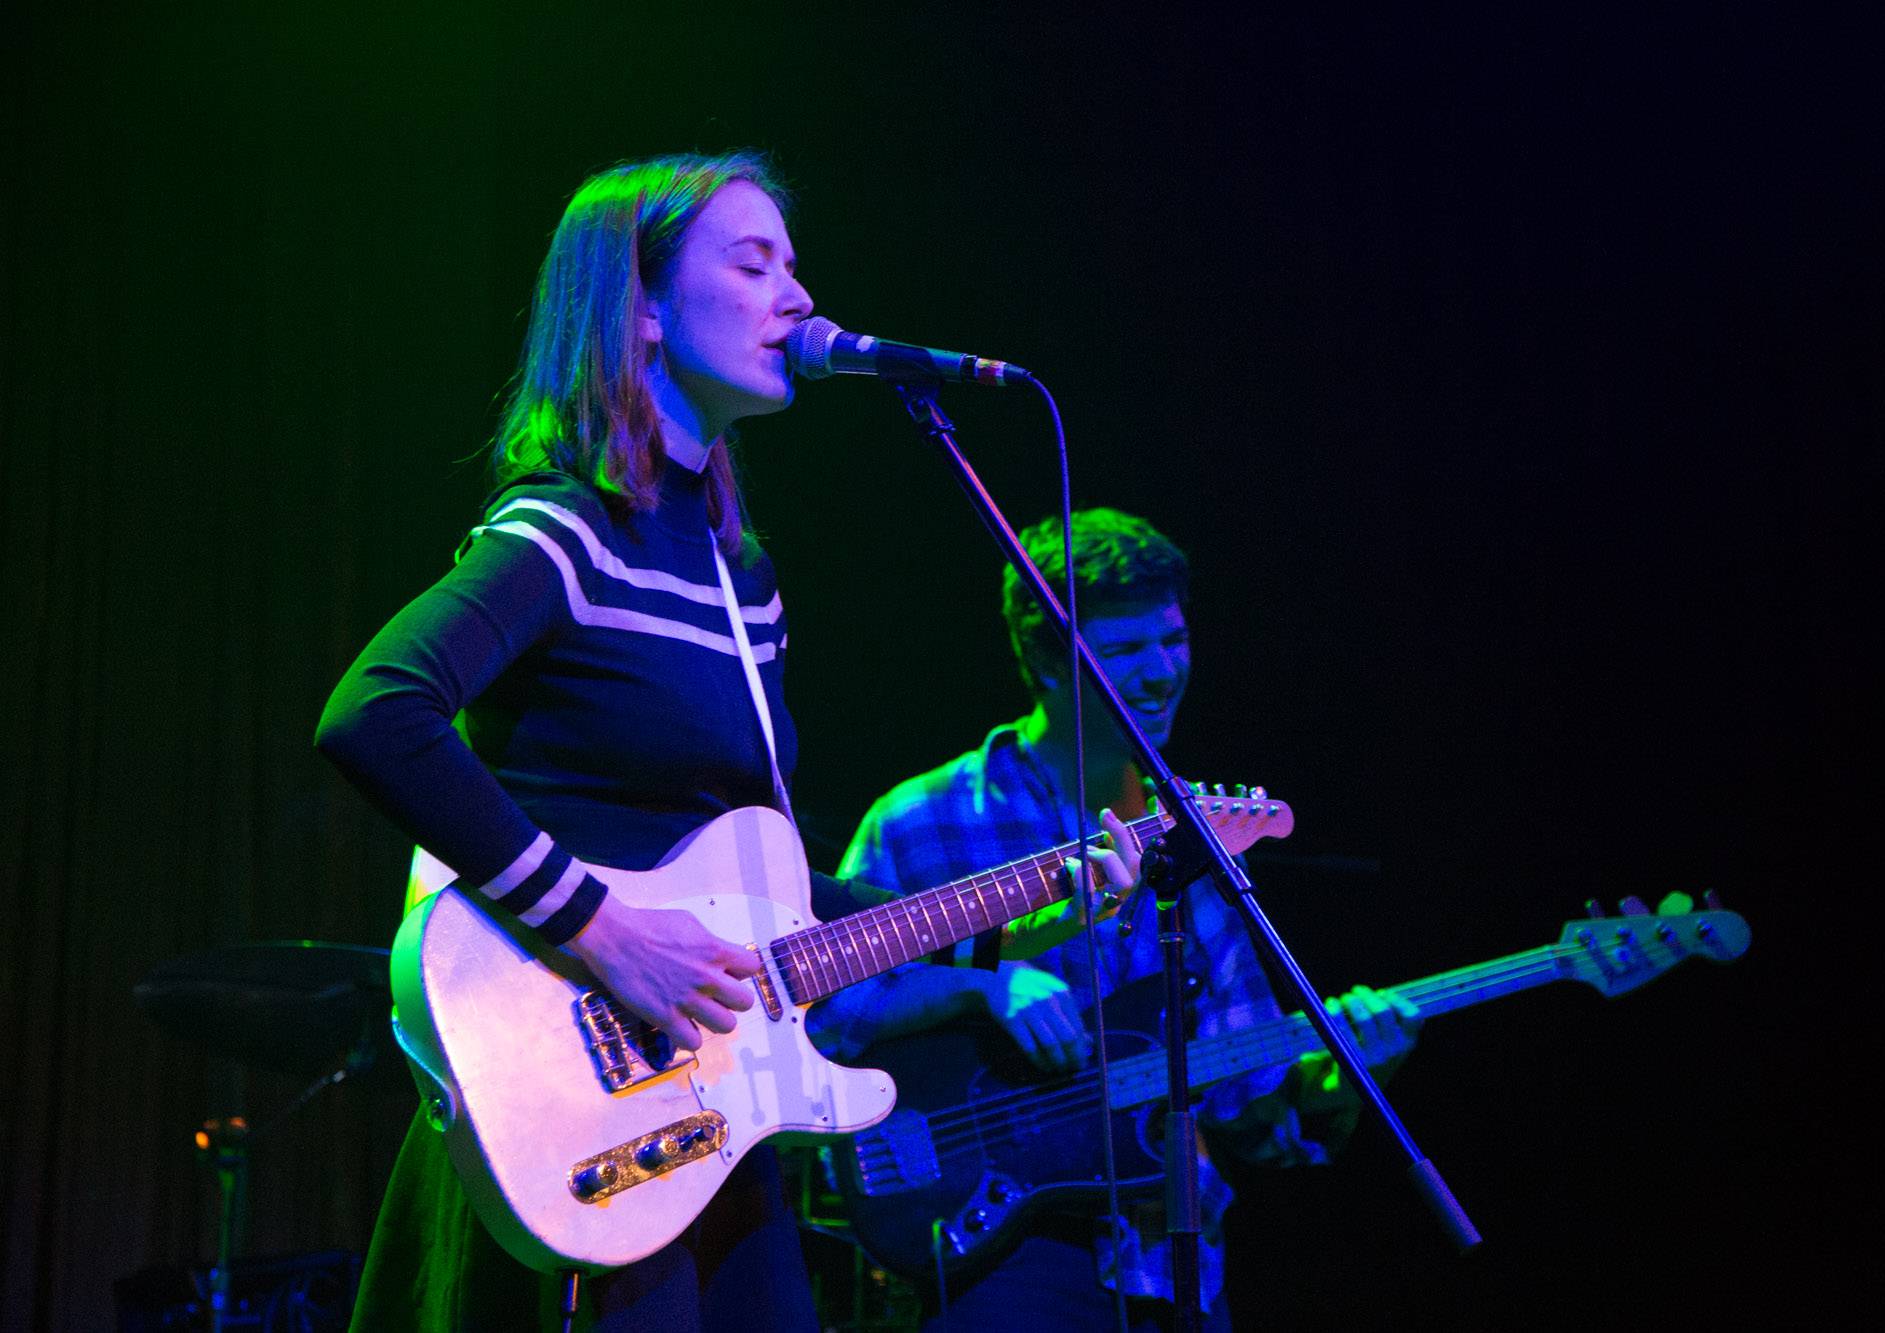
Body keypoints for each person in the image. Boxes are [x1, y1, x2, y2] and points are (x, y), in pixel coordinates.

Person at [315, 153, 1139, 1332]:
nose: (796, 298)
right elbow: (375, 710)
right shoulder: (563, 530)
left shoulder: (741, 577)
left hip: (708, 1113)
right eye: (752, 265)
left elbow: (768, 890)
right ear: (640, 311)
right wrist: (600, 930)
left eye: (792, 267)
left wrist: (1027, 902)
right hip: (572, 1106)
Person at [808, 508, 1422, 1331]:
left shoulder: (1200, 834)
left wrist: (1350, 1073)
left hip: (1171, 1266)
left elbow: (1252, 1111)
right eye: (1126, 649)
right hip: (997, 1254)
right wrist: (981, 986)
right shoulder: (922, 821)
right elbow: (826, 1019)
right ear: (1044, 660)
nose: (1163, 670)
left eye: (1173, 639)